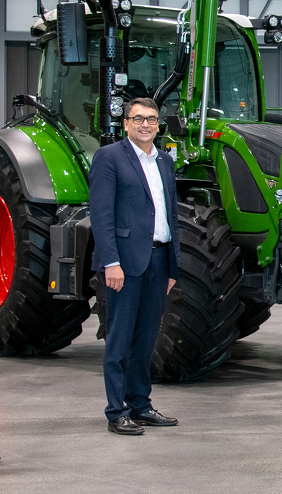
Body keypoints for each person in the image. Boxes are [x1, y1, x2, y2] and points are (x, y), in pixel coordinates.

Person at [89, 97, 180, 435]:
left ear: (158, 125)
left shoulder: (164, 162)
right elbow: (101, 215)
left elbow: (170, 215)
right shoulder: (109, 157)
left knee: (145, 339)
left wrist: (173, 265)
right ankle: (117, 410)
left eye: (152, 119)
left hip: (158, 258)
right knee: (120, 339)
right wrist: (111, 262)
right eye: (139, 119)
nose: (146, 125)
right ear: (125, 123)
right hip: (124, 263)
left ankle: (140, 403)